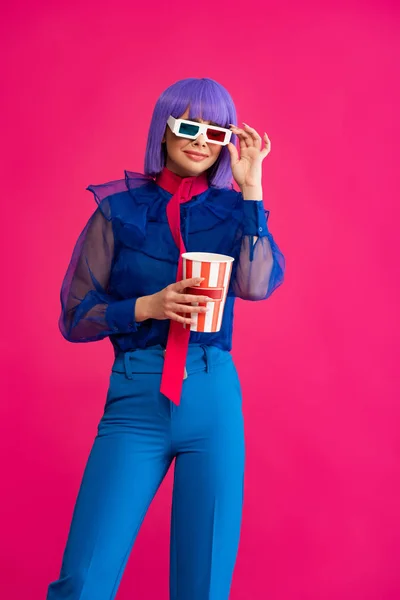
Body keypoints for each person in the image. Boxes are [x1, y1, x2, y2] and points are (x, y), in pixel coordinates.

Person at [46, 77, 285, 600]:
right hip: (136, 399)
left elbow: (256, 285)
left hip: (212, 394)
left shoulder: (234, 212)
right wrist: (145, 307)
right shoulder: (119, 210)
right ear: (165, 128)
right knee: (82, 581)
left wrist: (252, 190)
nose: (202, 139)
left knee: (203, 585)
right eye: (189, 125)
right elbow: (75, 316)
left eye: (217, 130)